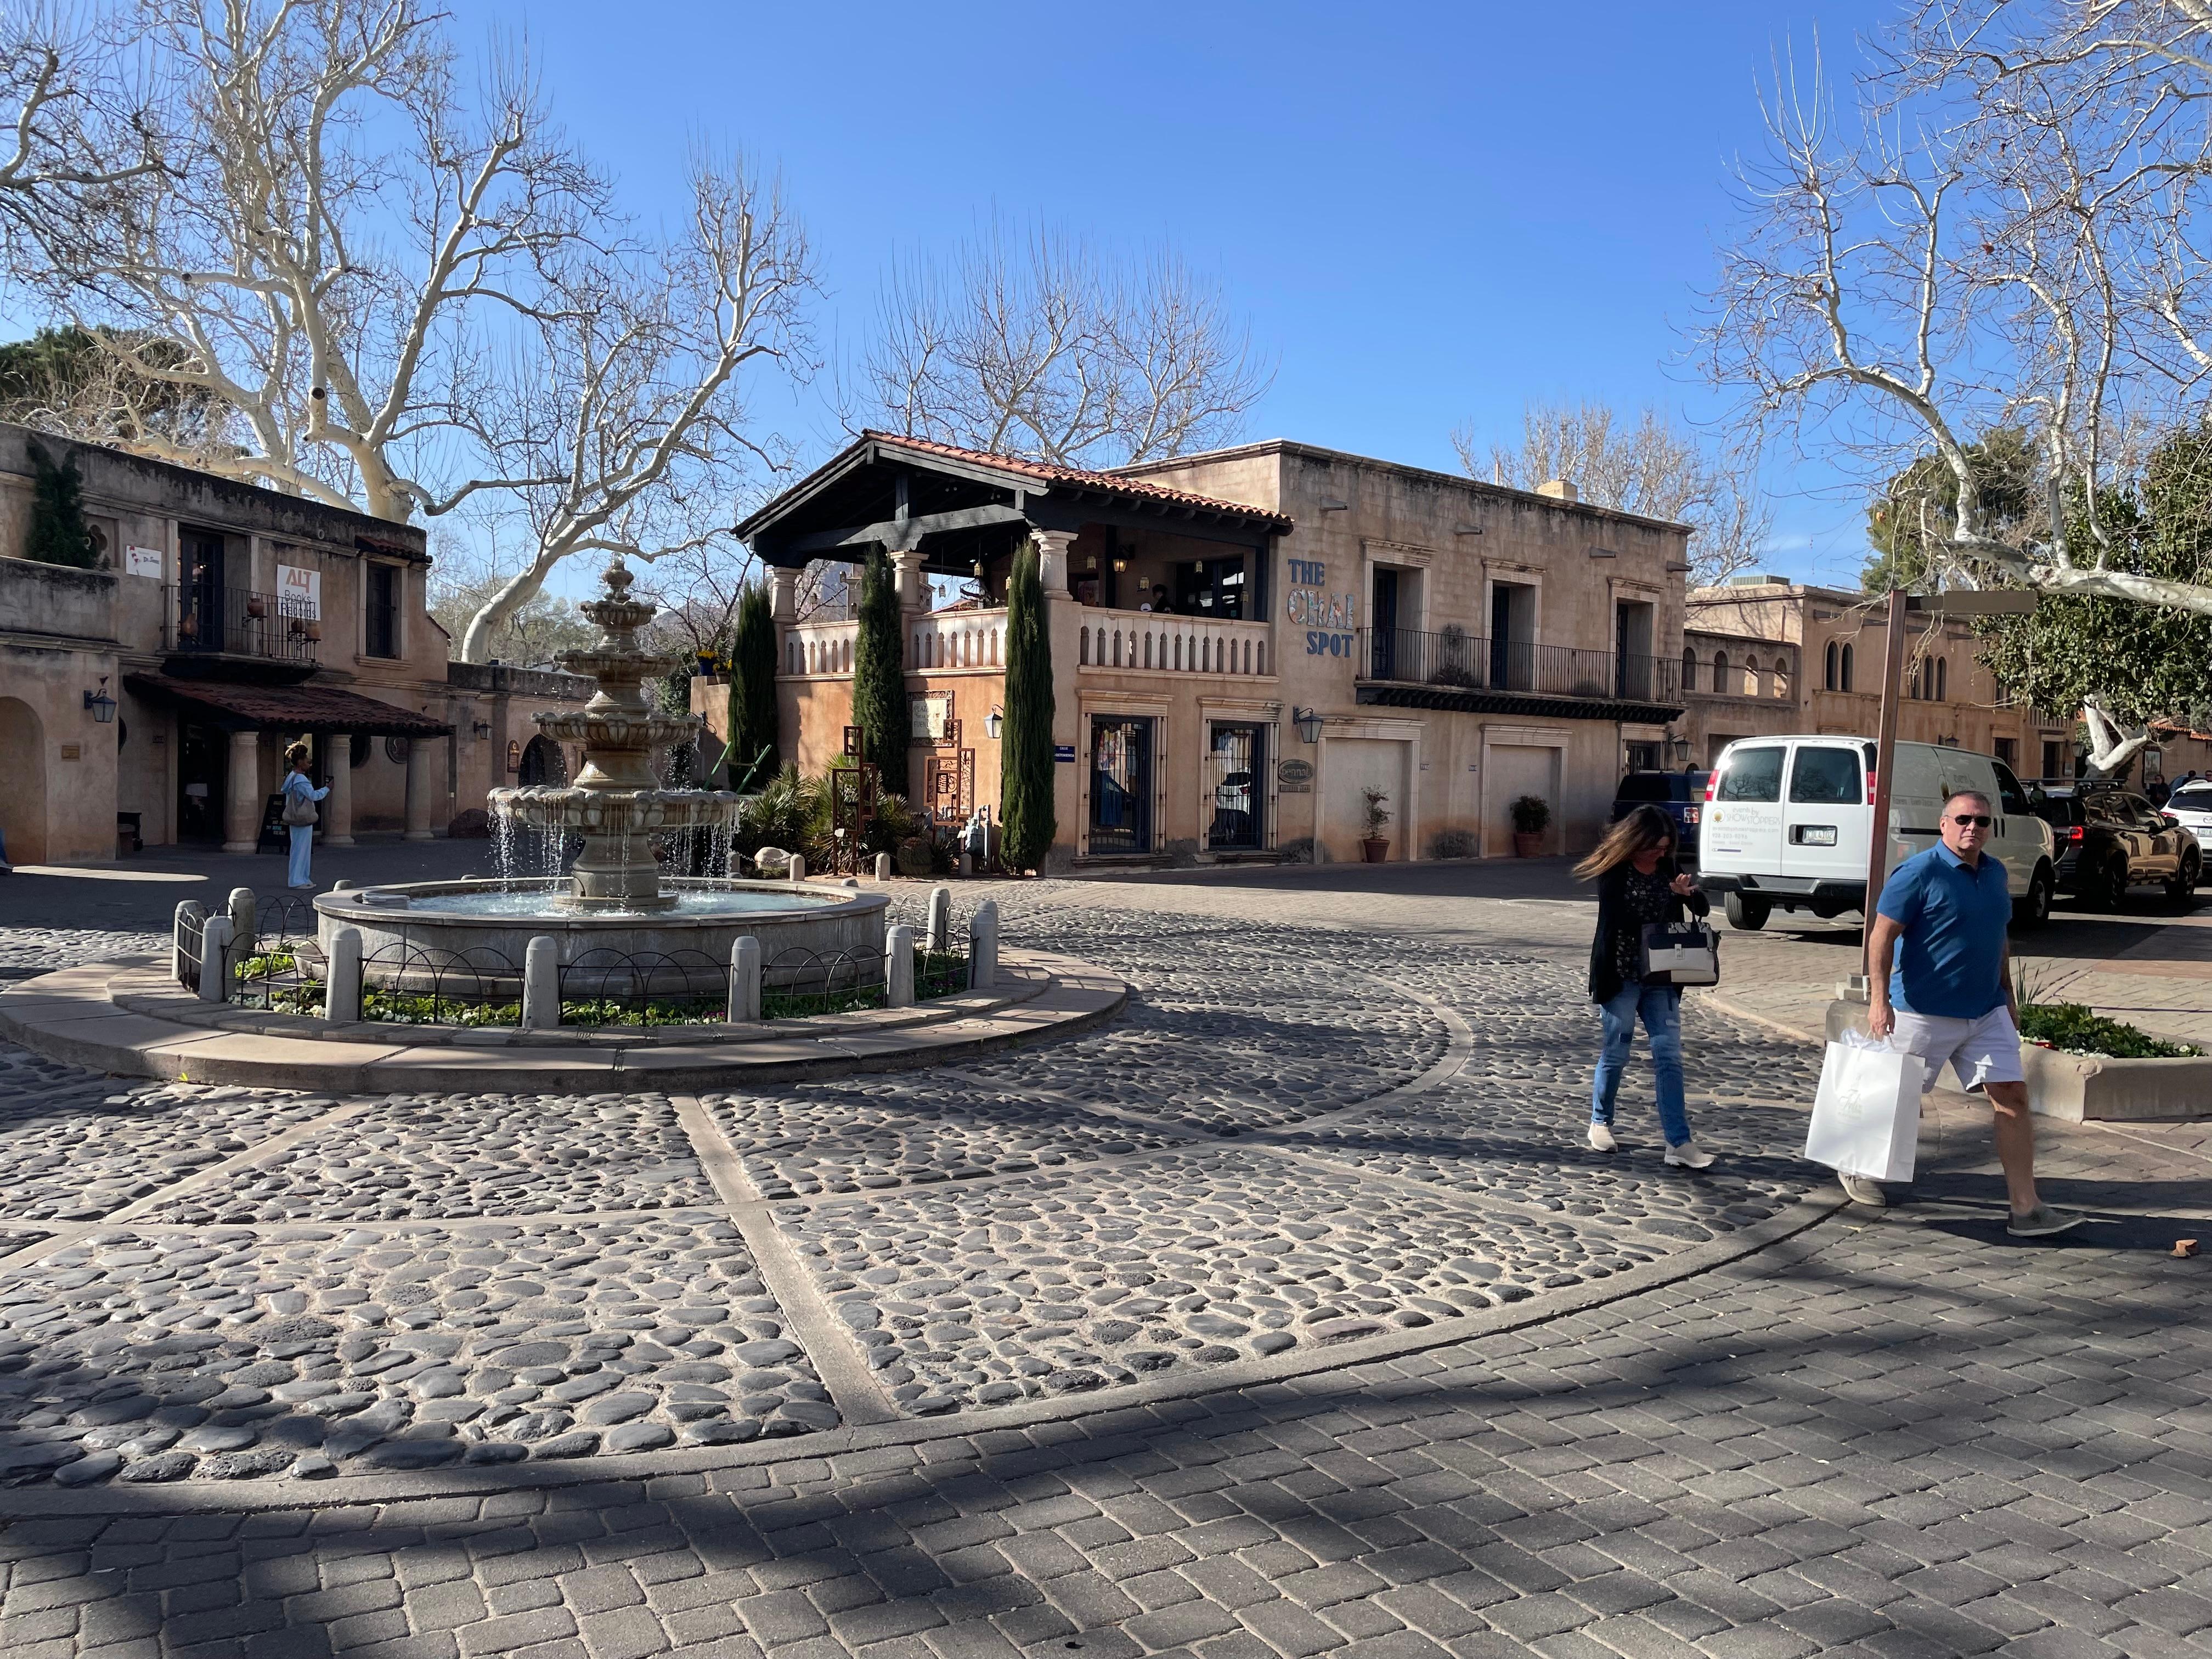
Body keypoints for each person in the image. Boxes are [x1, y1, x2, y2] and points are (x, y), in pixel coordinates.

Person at [1859, 788, 2081, 1236]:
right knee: (1895, 1100)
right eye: (1963, 819)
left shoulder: (1997, 874)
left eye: (1981, 822)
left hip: (1985, 1011)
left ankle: (2025, 1207)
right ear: (1943, 824)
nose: (1972, 829)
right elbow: (1881, 938)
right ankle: (1858, 1165)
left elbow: (1998, 937)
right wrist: (1879, 1001)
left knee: (2014, 1099)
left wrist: (2009, 995)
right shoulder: (1918, 873)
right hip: (1922, 1010)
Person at [1578, 804, 1714, 1167]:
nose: (1659, 853)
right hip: (1621, 976)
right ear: (1636, 841)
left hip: (1661, 978)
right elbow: (1618, 916)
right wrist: (1667, 896)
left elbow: (1702, 906)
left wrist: (1687, 895)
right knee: (1617, 1052)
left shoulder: (1668, 867)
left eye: (1665, 847)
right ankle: (1600, 1122)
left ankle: (1679, 1143)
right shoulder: (1614, 869)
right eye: (1653, 847)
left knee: (1669, 1056)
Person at [280, 743, 330, 890]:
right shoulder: (301, 779)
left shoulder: (291, 777)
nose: (309, 761)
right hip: (303, 818)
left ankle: (303, 878)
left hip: (295, 817)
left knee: (298, 848)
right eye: (306, 759)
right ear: (300, 761)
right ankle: (297, 880)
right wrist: (327, 788)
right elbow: (314, 795)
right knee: (301, 850)